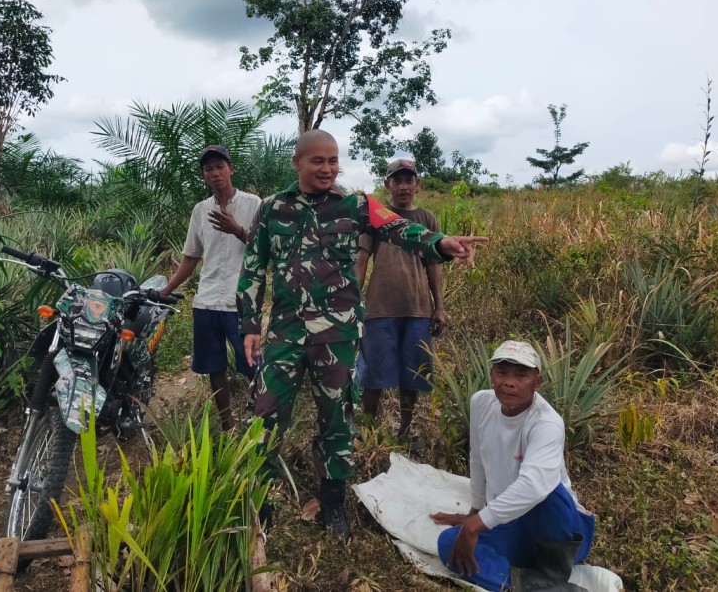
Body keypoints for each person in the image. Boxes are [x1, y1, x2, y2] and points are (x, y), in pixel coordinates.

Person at [237, 129, 488, 539]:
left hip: (337, 337)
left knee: (337, 422)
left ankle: (333, 504)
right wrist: (249, 325)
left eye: (333, 160)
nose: (327, 168)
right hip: (285, 334)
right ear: (297, 162)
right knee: (265, 417)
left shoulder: (356, 205)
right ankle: (258, 505)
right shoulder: (272, 209)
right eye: (318, 161)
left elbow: (402, 230)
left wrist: (442, 242)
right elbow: (252, 269)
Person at [430, 340, 596, 591]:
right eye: (502, 373)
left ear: (537, 382)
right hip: (514, 524)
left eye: (521, 375)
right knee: (449, 544)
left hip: (560, 532)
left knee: (550, 491)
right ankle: (534, 586)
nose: (509, 382)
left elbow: (533, 486)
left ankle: (553, 571)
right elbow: (477, 458)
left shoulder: (546, 423)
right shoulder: (481, 403)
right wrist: (475, 512)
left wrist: (476, 525)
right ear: (491, 376)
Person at [160, 144, 261, 431]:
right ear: (203, 176)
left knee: (252, 366)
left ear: (231, 169)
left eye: (220, 167)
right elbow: (191, 257)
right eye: (208, 169)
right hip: (206, 301)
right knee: (214, 367)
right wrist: (165, 292)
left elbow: (265, 249)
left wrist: (237, 230)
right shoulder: (200, 211)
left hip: (240, 301)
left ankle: (258, 423)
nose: (215, 173)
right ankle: (228, 425)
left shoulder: (253, 204)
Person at [354, 158, 445, 447]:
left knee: (413, 375)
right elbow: (362, 259)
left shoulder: (427, 218)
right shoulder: (376, 216)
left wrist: (439, 306)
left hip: (417, 309)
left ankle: (405, 431)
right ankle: (369, 433)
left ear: (417, 184)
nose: (403, 186)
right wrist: (354, 302)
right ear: (387, 184)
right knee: (373, 375)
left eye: (409, 180)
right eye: (398, 180)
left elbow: (434, 265)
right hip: (380, 308)